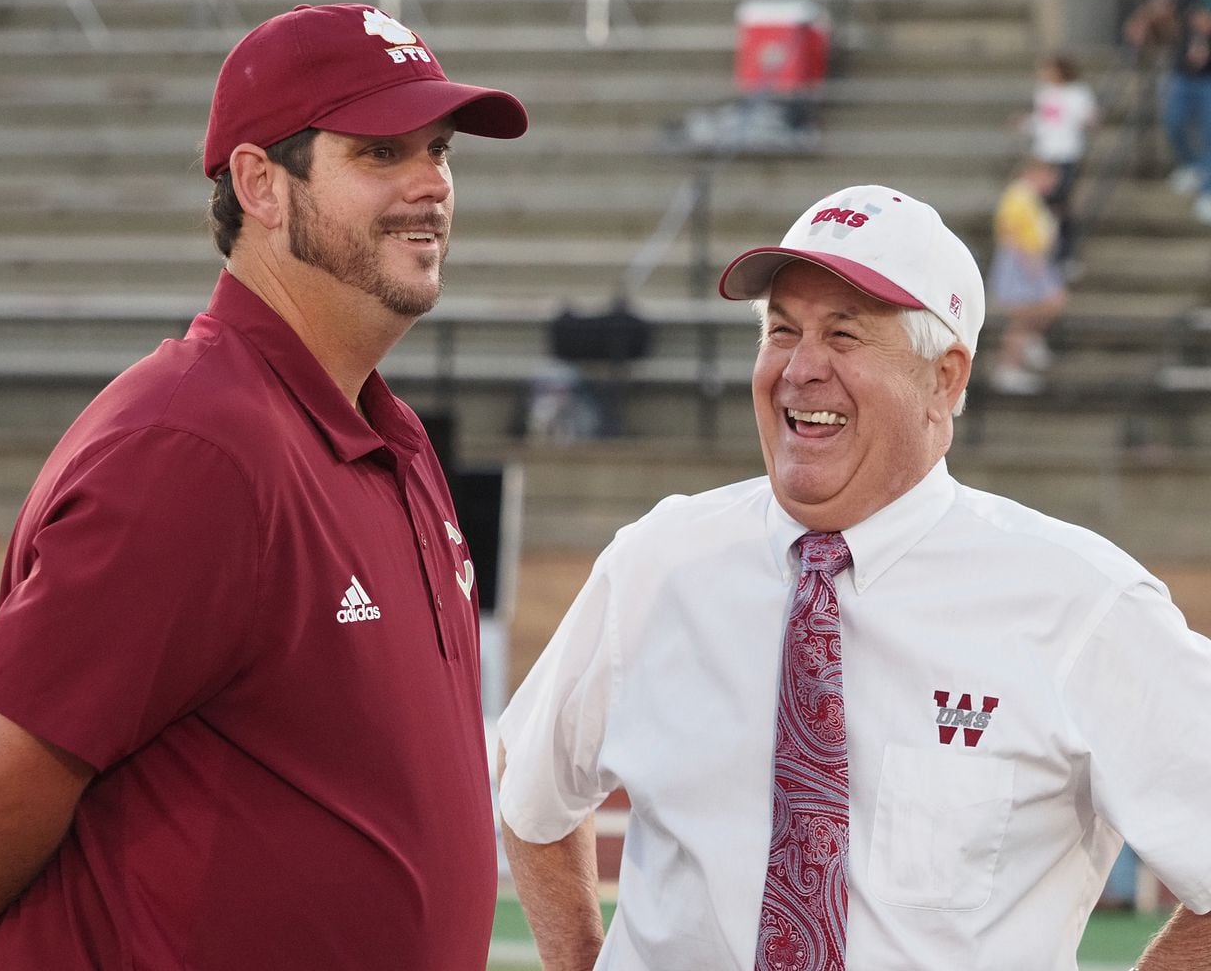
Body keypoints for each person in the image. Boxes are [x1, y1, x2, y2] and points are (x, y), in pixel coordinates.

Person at [0, 2, 527, 971]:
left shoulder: (392, 437)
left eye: (440, 150)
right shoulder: (195, 446)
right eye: (380, 154)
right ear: (261, 183)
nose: (431, 185)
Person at [497, 184, 1211, 970]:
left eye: (844, 334)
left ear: (944, 379)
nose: (801, 369)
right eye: (782, 330)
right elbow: (531, 795)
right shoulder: (657, 562)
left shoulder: (1079, 603)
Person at [1126, 0, 1211, 224]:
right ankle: (1193, 166)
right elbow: (1163, 9)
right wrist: (1141, 21)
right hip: (1183, 72)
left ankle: (1208, 191)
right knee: (1173, 121)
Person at [986, 157, 1068, 394]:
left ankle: (1026, 346)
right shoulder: (1019, 196)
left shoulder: (1028, 197)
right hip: (1024, 263)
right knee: (1024, 316)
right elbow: (1013, 233)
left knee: (1043, 307)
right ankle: (1009, 366)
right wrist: (1033, 267)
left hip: (1031, 260)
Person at [1020, 52, 1098, 274]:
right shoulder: (1044, 93)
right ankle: (1047, 251)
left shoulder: (1078, 93)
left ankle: (1064, 254)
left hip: (1067, 154)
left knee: (1060, 203)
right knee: (1043, 205)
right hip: (1045, 154)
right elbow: (1042, 122)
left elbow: (1086, 119)